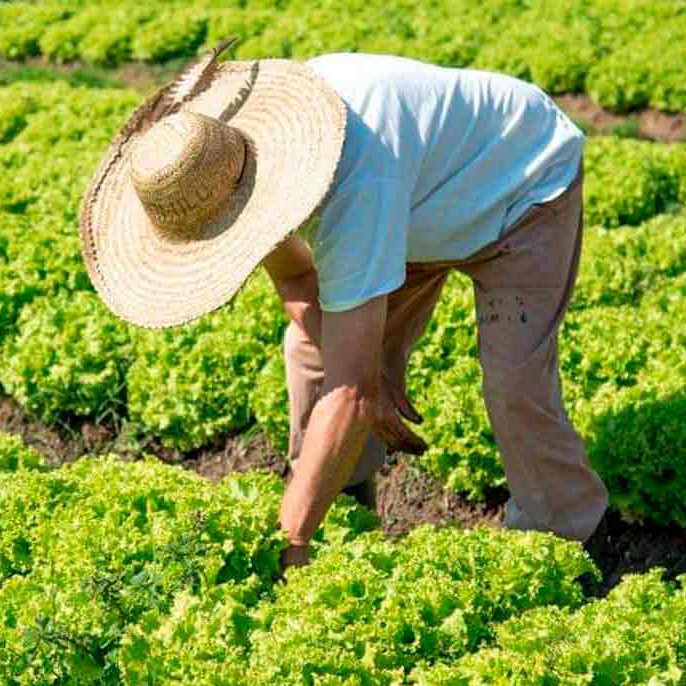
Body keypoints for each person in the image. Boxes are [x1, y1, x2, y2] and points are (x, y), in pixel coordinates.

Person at [79, 40, 609, 572]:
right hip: (413, 206)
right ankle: (341, 508)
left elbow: (352, 390)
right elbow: (297, 279)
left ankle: (566, 541)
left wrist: (288, 537)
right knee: (311, 353)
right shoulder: (230, 170)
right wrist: (355, 374)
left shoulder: (349, 174)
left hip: (520, 187)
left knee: (514, 382)